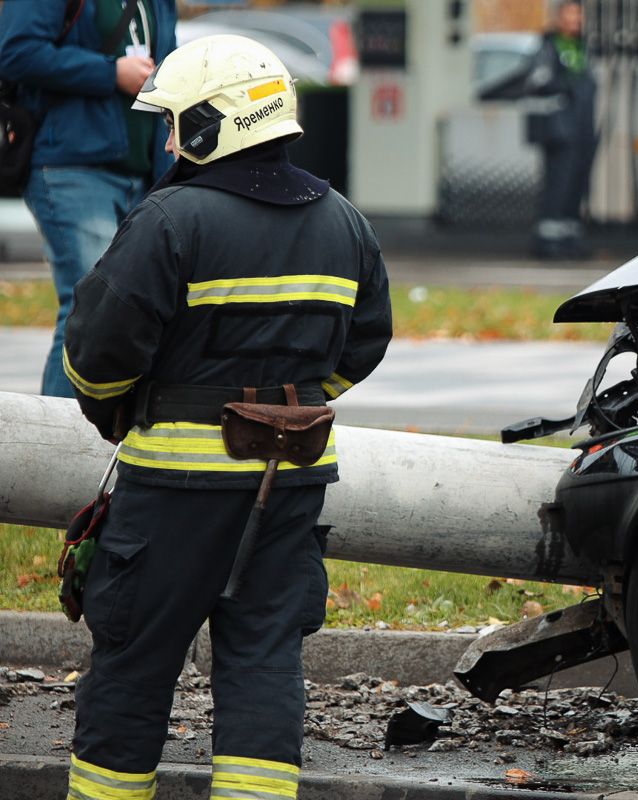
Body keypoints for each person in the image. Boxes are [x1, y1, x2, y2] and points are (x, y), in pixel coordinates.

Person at [60, 35, 392, 800]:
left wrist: (125, 410)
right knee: (265, 662)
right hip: (290, 487)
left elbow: (97, 355)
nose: (170, 140)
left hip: (173, 494)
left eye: (177, 122)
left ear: (215, 125)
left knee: (133, 664)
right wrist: (291, 404)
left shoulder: (170, 220)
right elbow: (364, 344)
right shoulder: (344, 221)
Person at [0, 0, 177, 399]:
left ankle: (100, 440)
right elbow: (15, 51)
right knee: (93, 309)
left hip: (144, 173)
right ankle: (54, 448)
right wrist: (109, 73)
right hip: (71, 167)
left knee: (136, 313)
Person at [526, 0, 598, 259]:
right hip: (559, 130)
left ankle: (569, 238)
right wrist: (564, 85)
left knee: (575, 186)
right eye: (569, 16)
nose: (574, 22)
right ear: (559, 18)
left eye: (578, 17)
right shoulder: (549, 45)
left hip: (582, 131)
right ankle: (547, 241)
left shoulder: (582, 47)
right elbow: (538, 81)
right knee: (557, 185)